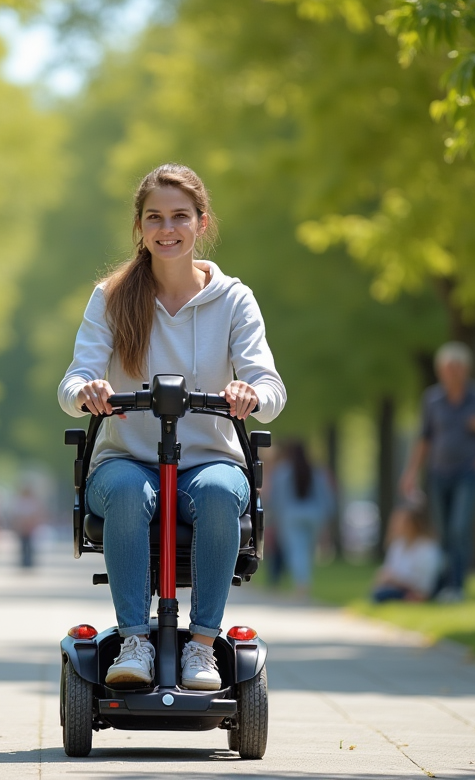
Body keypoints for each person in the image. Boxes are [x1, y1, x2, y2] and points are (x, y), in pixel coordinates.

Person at [58, 163, 286, 691]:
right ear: (139, 226)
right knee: (123, 490)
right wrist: (86, 392)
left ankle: (202, 646)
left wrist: (250, 393)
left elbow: (270, 391)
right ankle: (134, 639)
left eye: (180, 216)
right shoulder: (112, 297)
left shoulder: (234, 300)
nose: (168, 229)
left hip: (209, 458)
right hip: (127, 458)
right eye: (155, 217)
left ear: (201, 223)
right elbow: (74, 381)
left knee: (218, 493)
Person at [399, 341, 475, 602]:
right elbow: (424, 439)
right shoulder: (432, 400)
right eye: (447, 368)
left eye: (457, 368)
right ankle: (443, 585)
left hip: (467, 473)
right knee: (442, 532)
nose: (452, 373)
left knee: (459, 528)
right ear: (440, 371)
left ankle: (458, 586)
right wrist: (410, 473)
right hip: (438, 473)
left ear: (466, 370)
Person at [268, 441, 334, 598]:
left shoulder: (282, 472)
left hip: (291, 516)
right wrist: (326, 518)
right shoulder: (316, 470)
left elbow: (277, 499)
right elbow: (325, 497)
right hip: (314, 514)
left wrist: (275, 518)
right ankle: (304, 582)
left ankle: (301, 585)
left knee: (297, 550)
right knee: (307, 550)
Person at [371, 504, 442, 603]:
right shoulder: (397, 545)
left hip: (415, 589)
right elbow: (388, 570)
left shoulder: (427, 548)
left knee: (381, 595)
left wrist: (395, 580)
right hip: (399, 587)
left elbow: (424, 584)